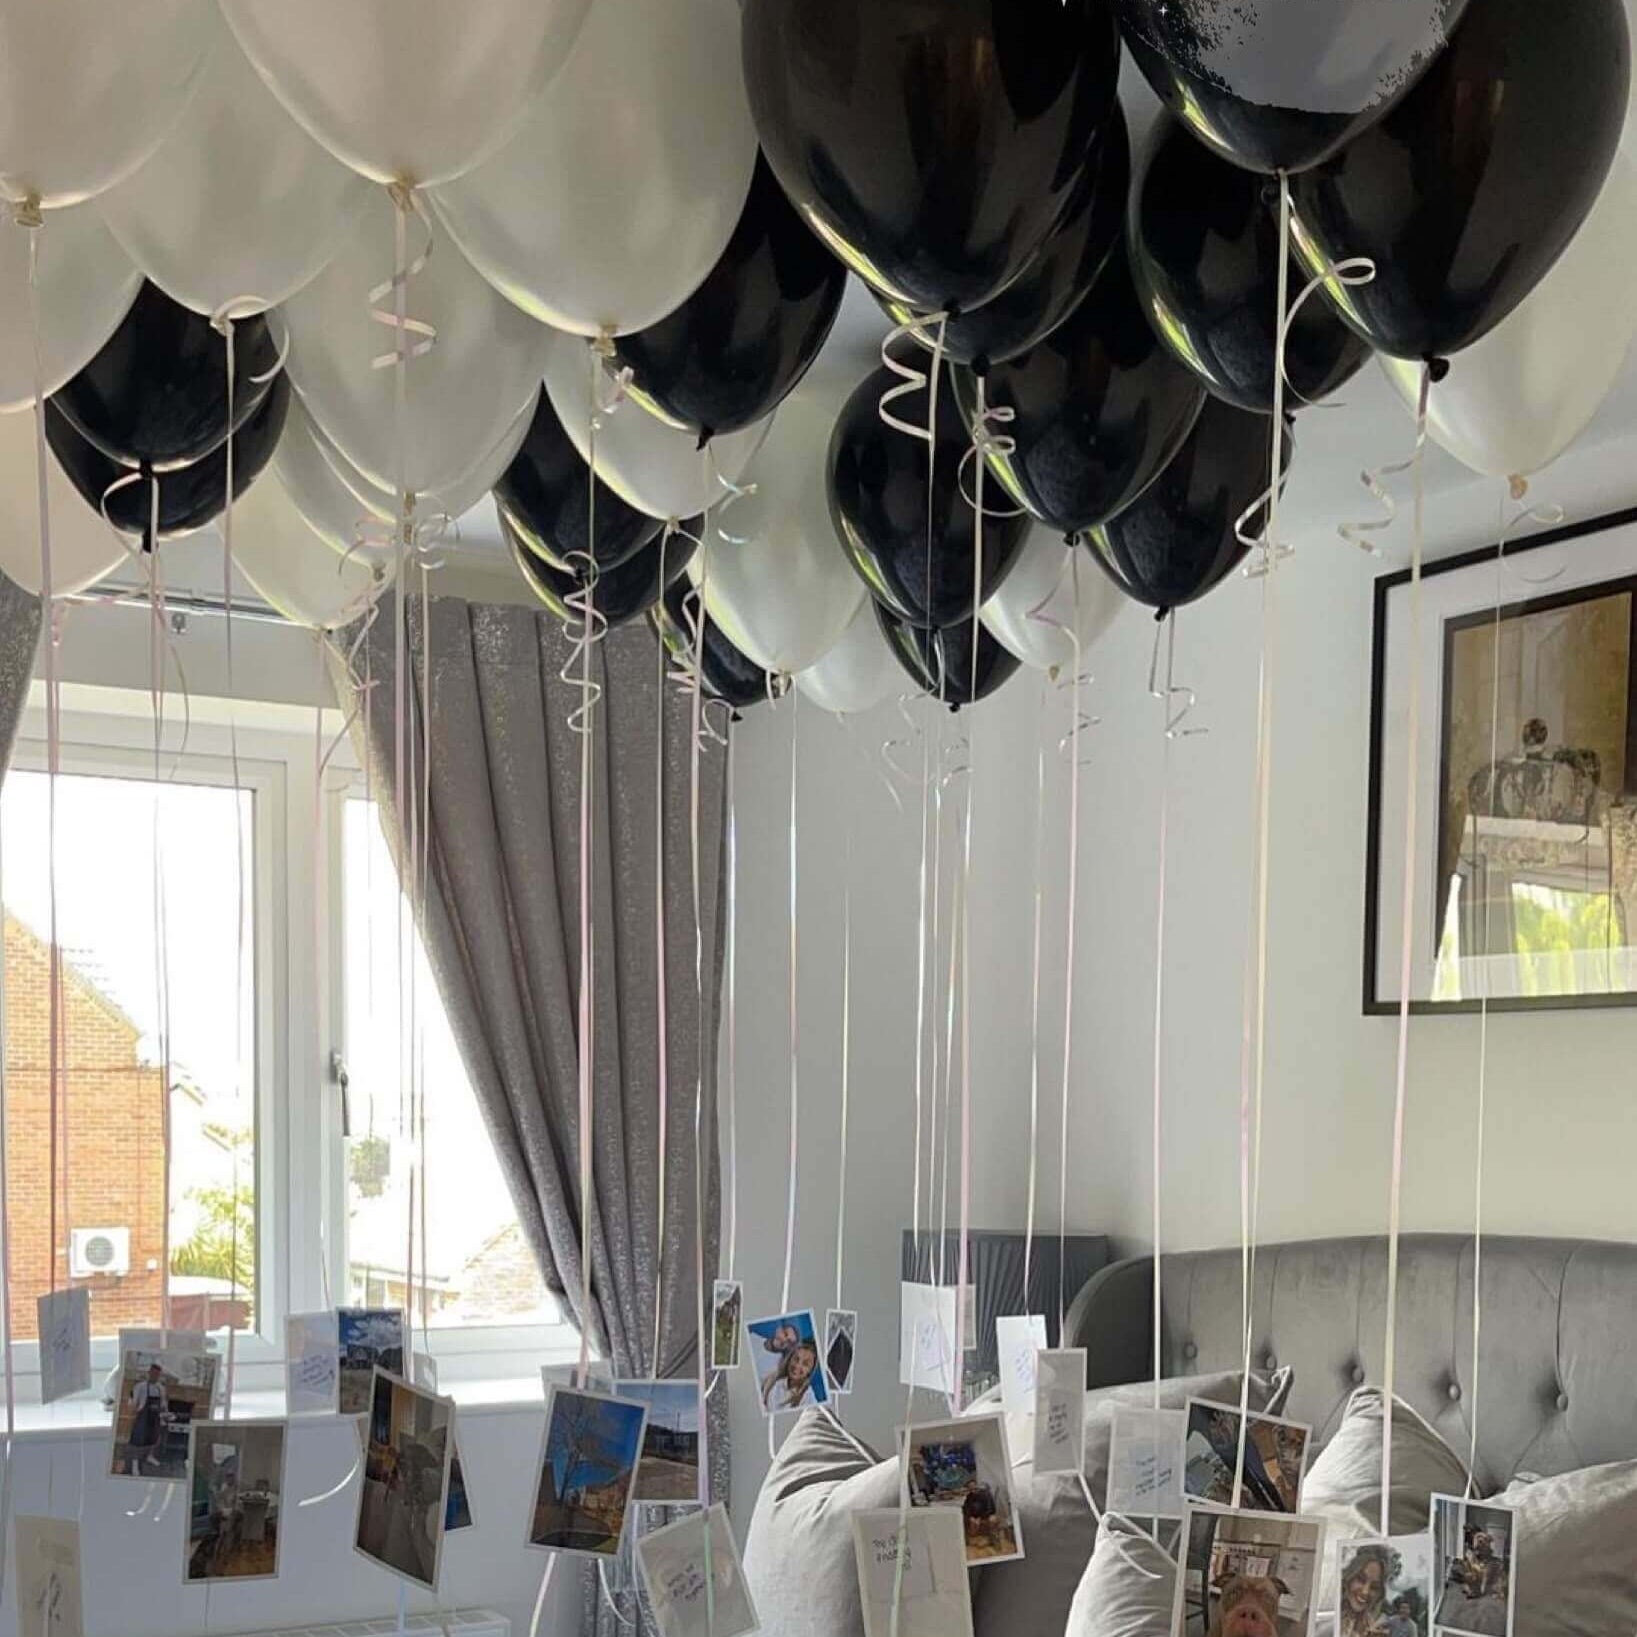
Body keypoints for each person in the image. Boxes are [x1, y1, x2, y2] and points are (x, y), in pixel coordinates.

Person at [125, 1361, 169, 1475]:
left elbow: (163, 1404)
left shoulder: (161, 1388)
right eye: (153, 1373)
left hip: (155, 1419)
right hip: (142, 1418)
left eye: (157, 1374)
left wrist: (165, 1415)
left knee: (154, 1440)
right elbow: (133, 1403)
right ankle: (135, 1465)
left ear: (159, 1375)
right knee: (137, 1442)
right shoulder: (140, 1387)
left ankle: (149, 1456)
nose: (155, 1376)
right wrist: (132, 1411)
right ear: (149, 1373)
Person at [1339, 1544, 1391, 1637]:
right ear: (1349, 1577)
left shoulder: (1373, 1625)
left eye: (1374, 1587)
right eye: (1361, 1579)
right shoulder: (1331, 1619)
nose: (1365, 1592)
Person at [761, 1339, 820, 1410]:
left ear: (810, 1370)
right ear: (790, 1358)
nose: (797, 1366)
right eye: (796, 1359)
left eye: (805, 1364)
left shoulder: (809, 1399)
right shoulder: (773, 1378)